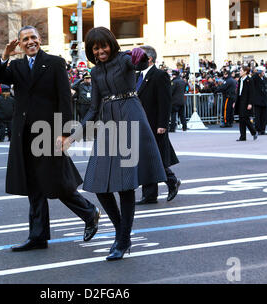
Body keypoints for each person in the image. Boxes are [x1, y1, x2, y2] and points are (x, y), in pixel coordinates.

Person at [0, 25, 100, 252]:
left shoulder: (54, 63)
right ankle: (37, 236)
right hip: (24, 134)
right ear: (19, 44)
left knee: (55, 181)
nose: (30, 42)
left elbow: (64, 99)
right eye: (25, 39)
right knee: (34, 185)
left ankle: (89, 213)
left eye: (33, 38)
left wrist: (64, 133)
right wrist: (5, 55)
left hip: (48, 132)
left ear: (40, 40)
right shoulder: (17, 65)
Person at [61, 27, 167, 261]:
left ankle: (122, 239)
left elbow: (139, 61)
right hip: (108, 122)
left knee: (125, 185)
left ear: (111, 43)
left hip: (130, 116)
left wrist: (137, 54)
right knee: (99, 185)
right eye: (95, 48)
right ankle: (122, 233)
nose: (100, 51)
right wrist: (73, 135)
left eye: (103, 45)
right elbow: (93, 108)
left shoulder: (125, 60)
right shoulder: (96, 72)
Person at [135, 45, 181, 205]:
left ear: (149, 59)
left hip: (155, 124)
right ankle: (150, 194)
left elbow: (165, 101)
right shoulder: (138, 76)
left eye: (138, 57)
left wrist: (163, 123)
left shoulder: (159, 75)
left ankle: (171, 180)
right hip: (142, 124)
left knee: (155, 158)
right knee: (147, 159)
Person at [235, 66, 258, 141]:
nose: (240, 72)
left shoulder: (249, 80)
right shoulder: (240, 80)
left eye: (241, 70)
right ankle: (243, 136)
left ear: (245, 72)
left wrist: (250, 103)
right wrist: (235, 102)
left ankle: (253, 132)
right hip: (240, 100)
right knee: (241, 119)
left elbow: (252, 92)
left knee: (245, 118)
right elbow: (238, 91)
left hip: (246, 101)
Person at [251, 68, 267, 135]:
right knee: (257, 116)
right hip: (257, 101)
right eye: (262, 72)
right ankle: (258, 129)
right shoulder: (256, 79)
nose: (263, 73)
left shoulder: (265, 79)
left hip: (264, 100)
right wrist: (256, 73)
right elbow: (253, 78)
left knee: (264, 116)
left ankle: (263, 129)